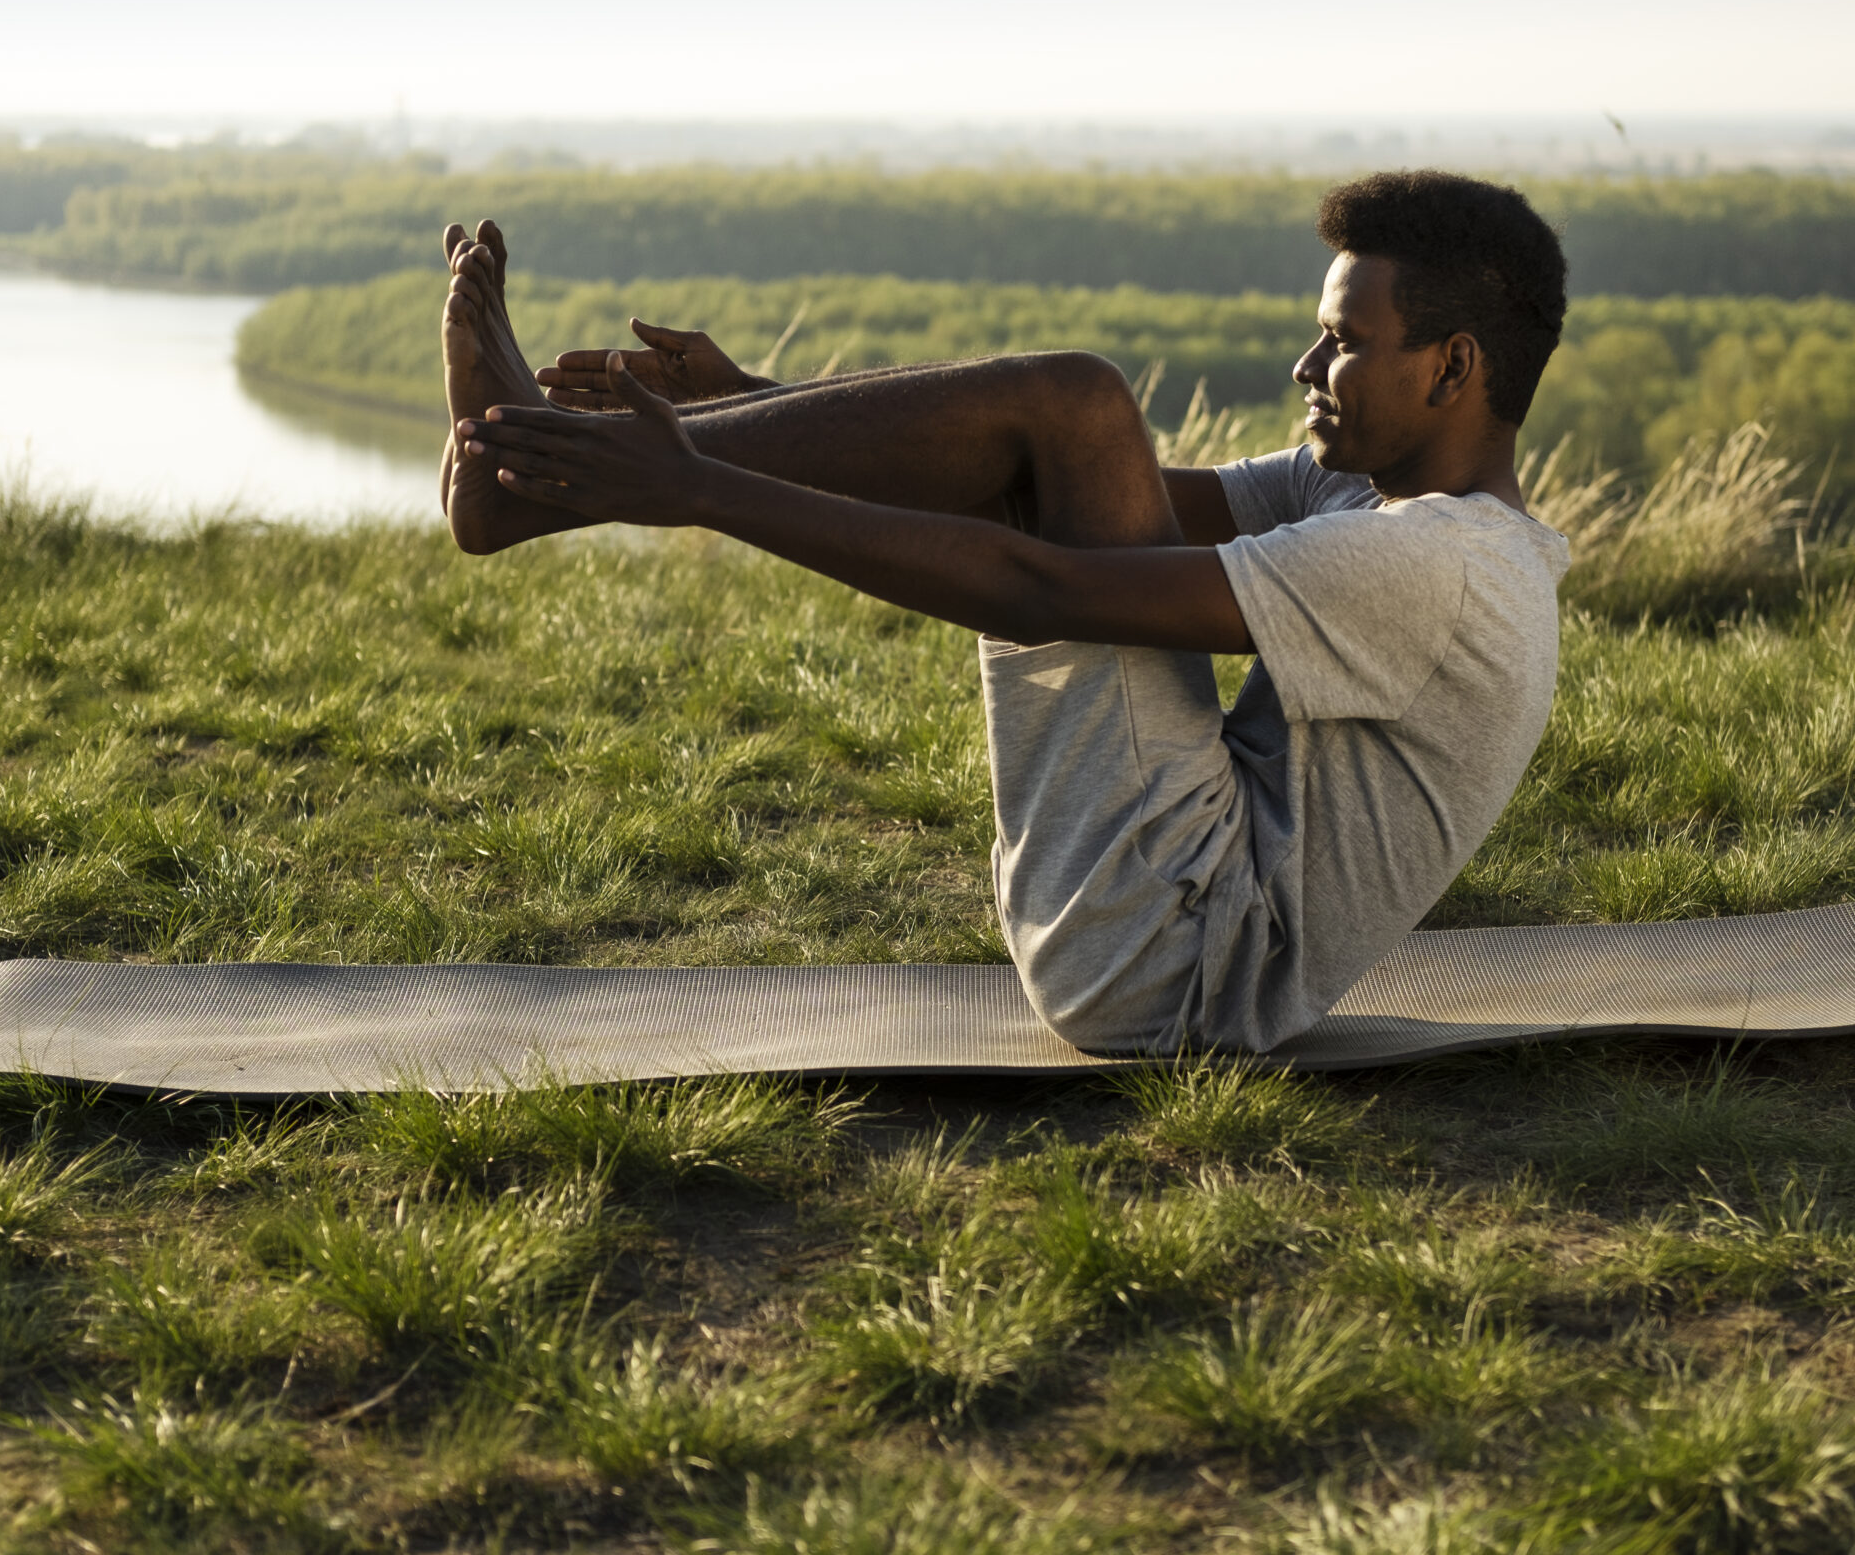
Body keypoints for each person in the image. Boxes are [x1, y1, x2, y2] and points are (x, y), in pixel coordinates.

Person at [437, 171, 1570, 1055]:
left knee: (1078, 396)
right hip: (1146, 925)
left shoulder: (1441, 563)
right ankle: (535, 466)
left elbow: (1046, 580)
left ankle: (531, 483)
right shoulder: (1370, 494)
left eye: (1345, 342)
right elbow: (1071, 483)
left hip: (1168, 970)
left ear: (1453, 365)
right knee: (1074, 416)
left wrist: (701, 486)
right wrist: (753, 405)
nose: (1305, 362)